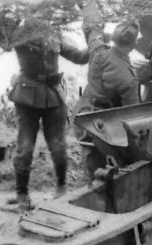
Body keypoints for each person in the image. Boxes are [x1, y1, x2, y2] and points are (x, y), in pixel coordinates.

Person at [6, 18, 89, 211]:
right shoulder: (19, 33)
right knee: (25, 147)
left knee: (59, 146)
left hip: (53, 97)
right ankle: (22, 196)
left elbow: (78, 56)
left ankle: (61, 189)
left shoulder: (55, 34)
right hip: (26, 97)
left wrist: (95, 42)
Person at [73, 0, 141, 180]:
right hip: (104, 129)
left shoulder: (98, 51)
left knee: (90, 161)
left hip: (83, 117)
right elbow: (132, 116)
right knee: (109, 171)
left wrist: (90, 2)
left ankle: (90, 180)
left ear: (112, 38)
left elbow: (92, 29)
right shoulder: (128, 79)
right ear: (134, 45)